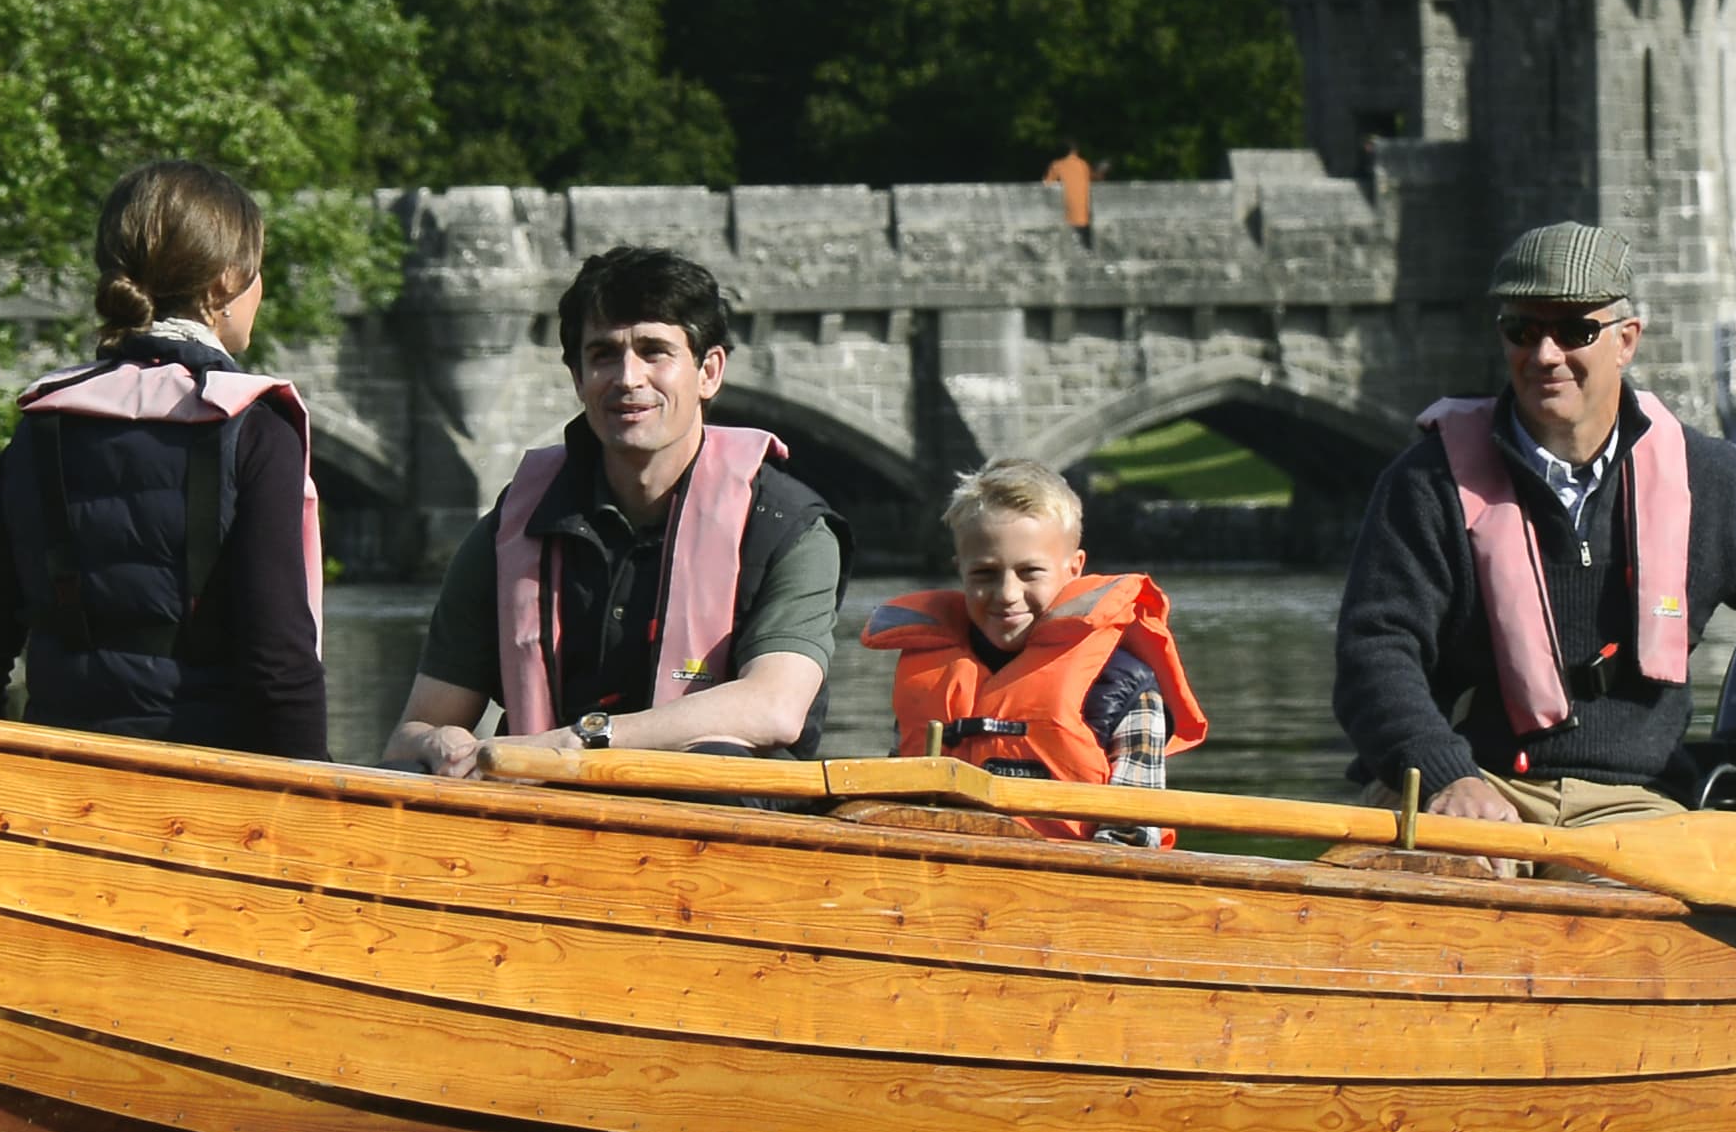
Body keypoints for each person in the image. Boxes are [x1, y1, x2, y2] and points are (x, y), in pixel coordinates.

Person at [1328, 220, 1736, 826]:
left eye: (1574, 330)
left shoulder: (1710, 477)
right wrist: (1443, 776)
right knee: (1432, 888)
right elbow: (1374, 654)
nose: (1545, 355)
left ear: (1626, 340)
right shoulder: (1425, 484)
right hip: (1461, 789)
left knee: (1616, 908)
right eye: (1522, 330)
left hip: (1631, 806)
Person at [384, 243, 836, 776]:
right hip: (541, 819)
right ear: (577, 378)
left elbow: (775, 708)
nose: (627, 378)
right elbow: (411, 733)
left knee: (719, 759)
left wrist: (577, 741)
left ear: (709, 371)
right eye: (603, 355)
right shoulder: (513, 528)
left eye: (654, 351)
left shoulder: (790, 528)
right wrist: (441, 743)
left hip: (716, 821)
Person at [0, 158, 330, 760]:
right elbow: (279, 662)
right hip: (206, 790)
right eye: (257, 272)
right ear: (225, 282)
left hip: (57, 783)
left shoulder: (42, 427)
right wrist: (314, 802)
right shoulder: (254, 430)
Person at [859, 457, 1209, 843]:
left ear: (1073, 569)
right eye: (984, 574)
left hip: (1071, 889)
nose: (1007, 595)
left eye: (1030, 572)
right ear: (960, 569)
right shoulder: (926, 676)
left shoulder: (1126, 685)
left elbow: (1132, 835)